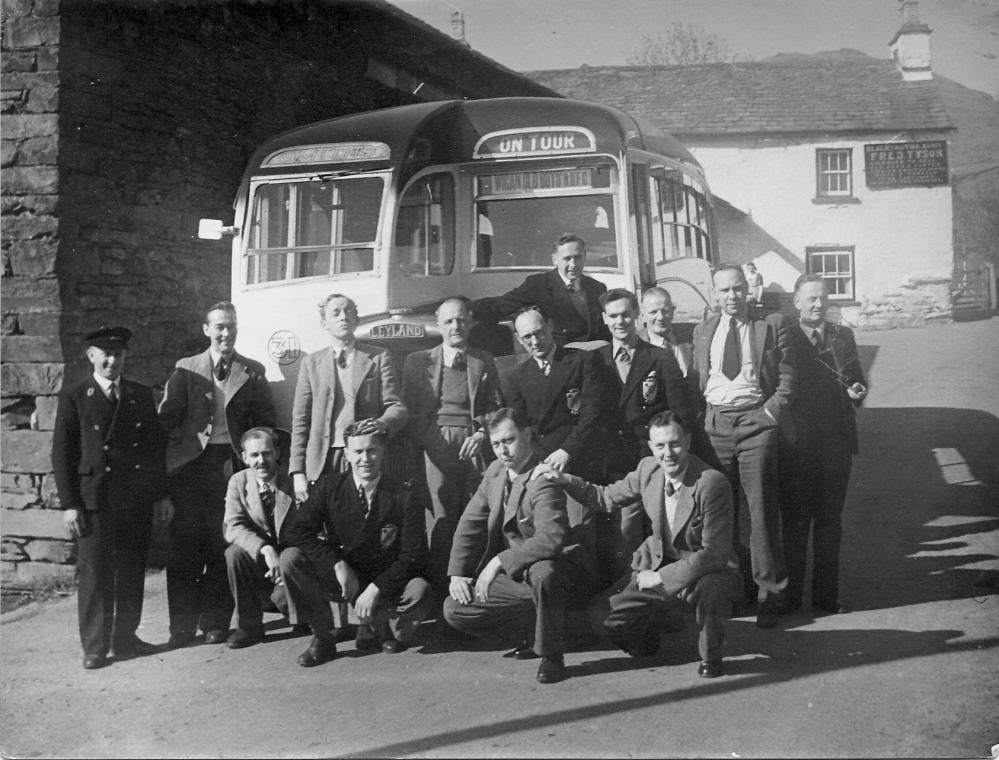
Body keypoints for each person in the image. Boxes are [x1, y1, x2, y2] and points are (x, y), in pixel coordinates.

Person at [542, 411, 740, 678]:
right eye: (660, 446)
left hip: (705, 569)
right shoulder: (648, 469)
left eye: (674, 444)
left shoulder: (711, 483)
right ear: (651, 447)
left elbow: (714, 553)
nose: (668, 453)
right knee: (602, 617)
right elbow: (605, 498)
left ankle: (711, 657)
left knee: (712, 588)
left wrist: (660, 578)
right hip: (658, 562)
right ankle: (656, 624)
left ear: (689, 441)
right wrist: (566, 480)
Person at [443, 407, 599, 684]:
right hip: (520, 575)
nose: (503, 451)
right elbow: (470, 523)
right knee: (455, 607)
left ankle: (552, 655)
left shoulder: (543, 475)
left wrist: (498, 562)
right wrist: (457, 573)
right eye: (496, 444)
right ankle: (533, 630)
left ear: (527, 435)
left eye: (509, 440)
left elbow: (550, 540)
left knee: (544, 572)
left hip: (556, 569)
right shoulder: (494, 472)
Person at [158, 302, 276, 648]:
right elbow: (166, 422)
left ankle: (215, 623)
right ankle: (180, 627)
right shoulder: (186, 369)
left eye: (232, 327)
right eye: (220, 327)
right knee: (184, 548)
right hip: (190, 467)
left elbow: (265, 420)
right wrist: (168, 475)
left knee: (221, 543)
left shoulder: (252, 371)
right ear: (207, 330)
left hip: (230, 466)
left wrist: (252, 461)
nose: (226, 333)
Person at [52, 326, 170, 669]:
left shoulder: (138, 394)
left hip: (133, 498)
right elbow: (63, 454)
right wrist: (70, 504)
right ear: (91, 356)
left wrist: (161, 494)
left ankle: (126, 637)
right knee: (95, 574)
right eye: (104, 354)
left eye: (117, 354)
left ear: (124, 357)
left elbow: (153, 450)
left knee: (132, 570)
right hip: (95, 500)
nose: (111, 360)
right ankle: (95, 645)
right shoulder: (75, 396)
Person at [691, 264, 796, 628]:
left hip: (756, 423)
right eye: (724, 291)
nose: (732, 297)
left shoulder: (770, 325)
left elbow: (787, 379)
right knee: (722, 514)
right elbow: (699, 379)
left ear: (747, 290)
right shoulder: (703, 330)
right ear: (714, 293)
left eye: (738, 289)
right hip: (716, 425)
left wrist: (768, 414)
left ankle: (771, 592)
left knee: (761, 510)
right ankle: (735, 589)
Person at [280, 419, 432, 667]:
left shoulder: (403, 493)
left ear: (383, 451)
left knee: (419, 590)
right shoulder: (329, 487)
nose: (365, 458)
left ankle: (384, 627)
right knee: (290, 558)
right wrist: (337, 565)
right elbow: (296, 531)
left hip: (383, 582)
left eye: (372, 450)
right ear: (347, 454)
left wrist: (376, 588)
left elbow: (412, 555)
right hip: (343, 579)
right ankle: (323, 637)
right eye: (358, 451)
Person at [401, 297, 504, 589]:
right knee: (441, 516)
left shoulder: (483, 359)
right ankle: (439, 588)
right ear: (439, 325)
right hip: (434, 441)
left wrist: (482, 433)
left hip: (472, 439)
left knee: (478, 511)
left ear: (470, 322)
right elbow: (414, 413)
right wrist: (436, 447)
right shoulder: (418, 361)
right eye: (448, 321)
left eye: (461, 320)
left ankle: (476, 581)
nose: (455, 326)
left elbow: (495, 406)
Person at [780, 274, 867, 614]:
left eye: (823, 298)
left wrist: (857, 389)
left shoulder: (842, 335)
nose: (818, 305)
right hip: (795, 446)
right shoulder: (783, 336)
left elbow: (857, 376)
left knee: (830, 521)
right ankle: (790, 598)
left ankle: (825, 597)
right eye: (811, 298)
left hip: (835, 445)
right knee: (796, 522)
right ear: (797, 301)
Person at [593, 288, 693, 582]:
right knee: (619, 533)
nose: (620, 321)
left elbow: (679, 412)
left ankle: (650, 592)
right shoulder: (596, 361)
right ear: (604, 319)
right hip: (612, 460)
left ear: (637, 315)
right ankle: (625, 592)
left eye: (626, 314)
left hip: (650, 458)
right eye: (613, 316)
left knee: (650, 529)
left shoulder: (659, 358)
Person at [289, 293, 407, 502]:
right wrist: (298, 471)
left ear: (357, 320)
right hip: (324, 459)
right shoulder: (311, 363)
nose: (343, 317)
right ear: (324, 323)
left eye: (349, 311)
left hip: (364, 456)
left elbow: (396, 407)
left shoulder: (379, 357)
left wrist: (382, 423)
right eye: (336, 313)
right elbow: (301, 421)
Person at [222, 427, 299, 649]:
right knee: (234, 554)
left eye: (266, 453)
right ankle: (249, 626)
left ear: (277, 452)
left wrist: (283, 562)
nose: (261, 461)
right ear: (244, 457)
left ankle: (301, 617)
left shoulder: (292, 480)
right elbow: (232, 526)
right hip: (262, 561)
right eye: (254, 455)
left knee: (283, 600)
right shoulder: (238, 482)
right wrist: (265, 549)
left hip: (290, 560)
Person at [471, 232, 611, 347]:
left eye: (578, 258)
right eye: (567, 259)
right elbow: (502, 304)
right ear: (554, 259)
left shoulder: (597, 288)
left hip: (595, 358)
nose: (573, 264)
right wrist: (467, 310)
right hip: (563, 360)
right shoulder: (540, 284)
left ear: (585, 257)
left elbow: (606, 328)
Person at [638, 286, 693, 378]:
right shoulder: (636, 344)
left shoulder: (691, 335)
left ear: (673, 311)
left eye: (665, 311)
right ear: (643, 315)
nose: (660, 317)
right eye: (653, 312)